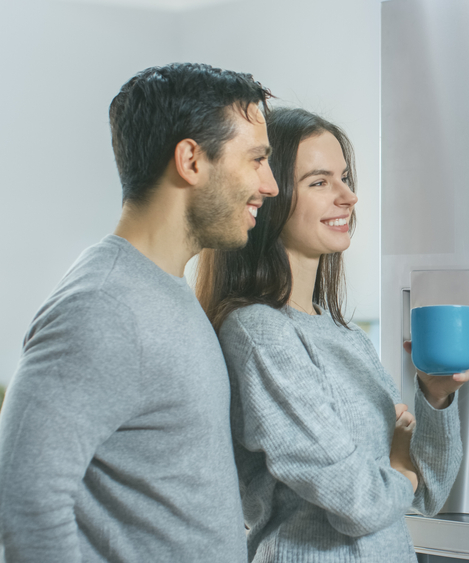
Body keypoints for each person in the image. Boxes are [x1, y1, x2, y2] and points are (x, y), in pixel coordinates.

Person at [0, 63, 279, 562]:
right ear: (191, 160)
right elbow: (24, 503)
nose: (270, 184)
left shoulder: (164, 291)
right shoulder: (102, 307)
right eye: (256, 159)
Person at [196, 107, 469, 562]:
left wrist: (435, 395)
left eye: (344, 178)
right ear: (270, 198)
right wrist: (398, 468)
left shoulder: (341, 334)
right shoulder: (258, 332)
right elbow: (360, 502)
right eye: (319, 181)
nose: (347, 195)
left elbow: (425, 494)